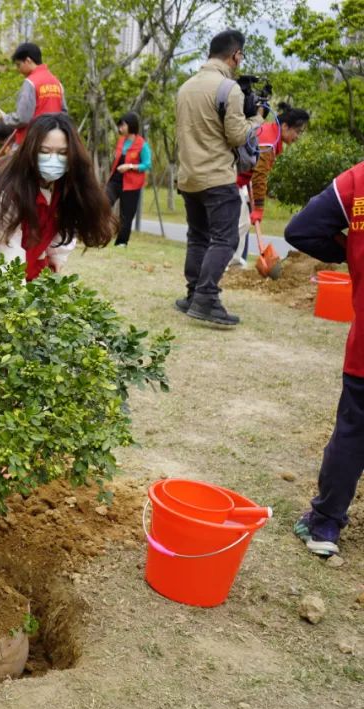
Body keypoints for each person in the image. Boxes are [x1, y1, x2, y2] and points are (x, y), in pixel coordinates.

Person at [282, 161, 364, 557]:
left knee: (353, 433)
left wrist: (352, 249)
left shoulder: (359, 183)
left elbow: (301, 230)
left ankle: (325, 524)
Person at [0, 113, 115, 278]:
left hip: (19, 259)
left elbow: (61, 225)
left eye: (62, 153)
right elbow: (5, 261)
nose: (54, 159)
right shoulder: (5, 190)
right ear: (31, 150)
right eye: (45, 151)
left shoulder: (67, 184)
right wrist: (16, 300)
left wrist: (56, 260)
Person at [174, 29, 264, 326]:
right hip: (216, 177)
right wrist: (257, 120)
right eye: (241, 56)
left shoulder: (186, 87)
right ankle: (207, 298)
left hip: (188, 177)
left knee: (197, 237)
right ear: (235, 54)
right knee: (225, 238)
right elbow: (237, 135)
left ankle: (192, 294)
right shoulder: (229, 88)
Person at [229, 103, 310, 267]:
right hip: (229, 179)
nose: (298, 136)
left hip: (237, 180)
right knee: (239, 223)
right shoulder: (269, 142)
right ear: (285, 127)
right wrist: (258, 209)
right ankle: (227, 263)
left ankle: (234, 263)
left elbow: (253, 173)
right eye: (297, 131)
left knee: (241, 223)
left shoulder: (269, 133)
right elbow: (259, 177)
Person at [0, 43, 66, 145]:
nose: (18, 69)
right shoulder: (57, 83)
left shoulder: (30, 83)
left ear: (28, 60)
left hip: (31, 142)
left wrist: (6, 118)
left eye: (18, 65)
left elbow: (23, 118)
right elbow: (64, 114)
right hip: (54, 141)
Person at [105, 112, 152, 247]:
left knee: (126, 215)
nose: (120, 128)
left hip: (131, 185)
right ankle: (99, 232)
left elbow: (147, 164)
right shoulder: (121, 141)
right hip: (115, 180)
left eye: (122, 125)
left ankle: (121, 242)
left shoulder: (142, 145)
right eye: (119, 125)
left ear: (131, 126)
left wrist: (130, 166)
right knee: (103, 203)